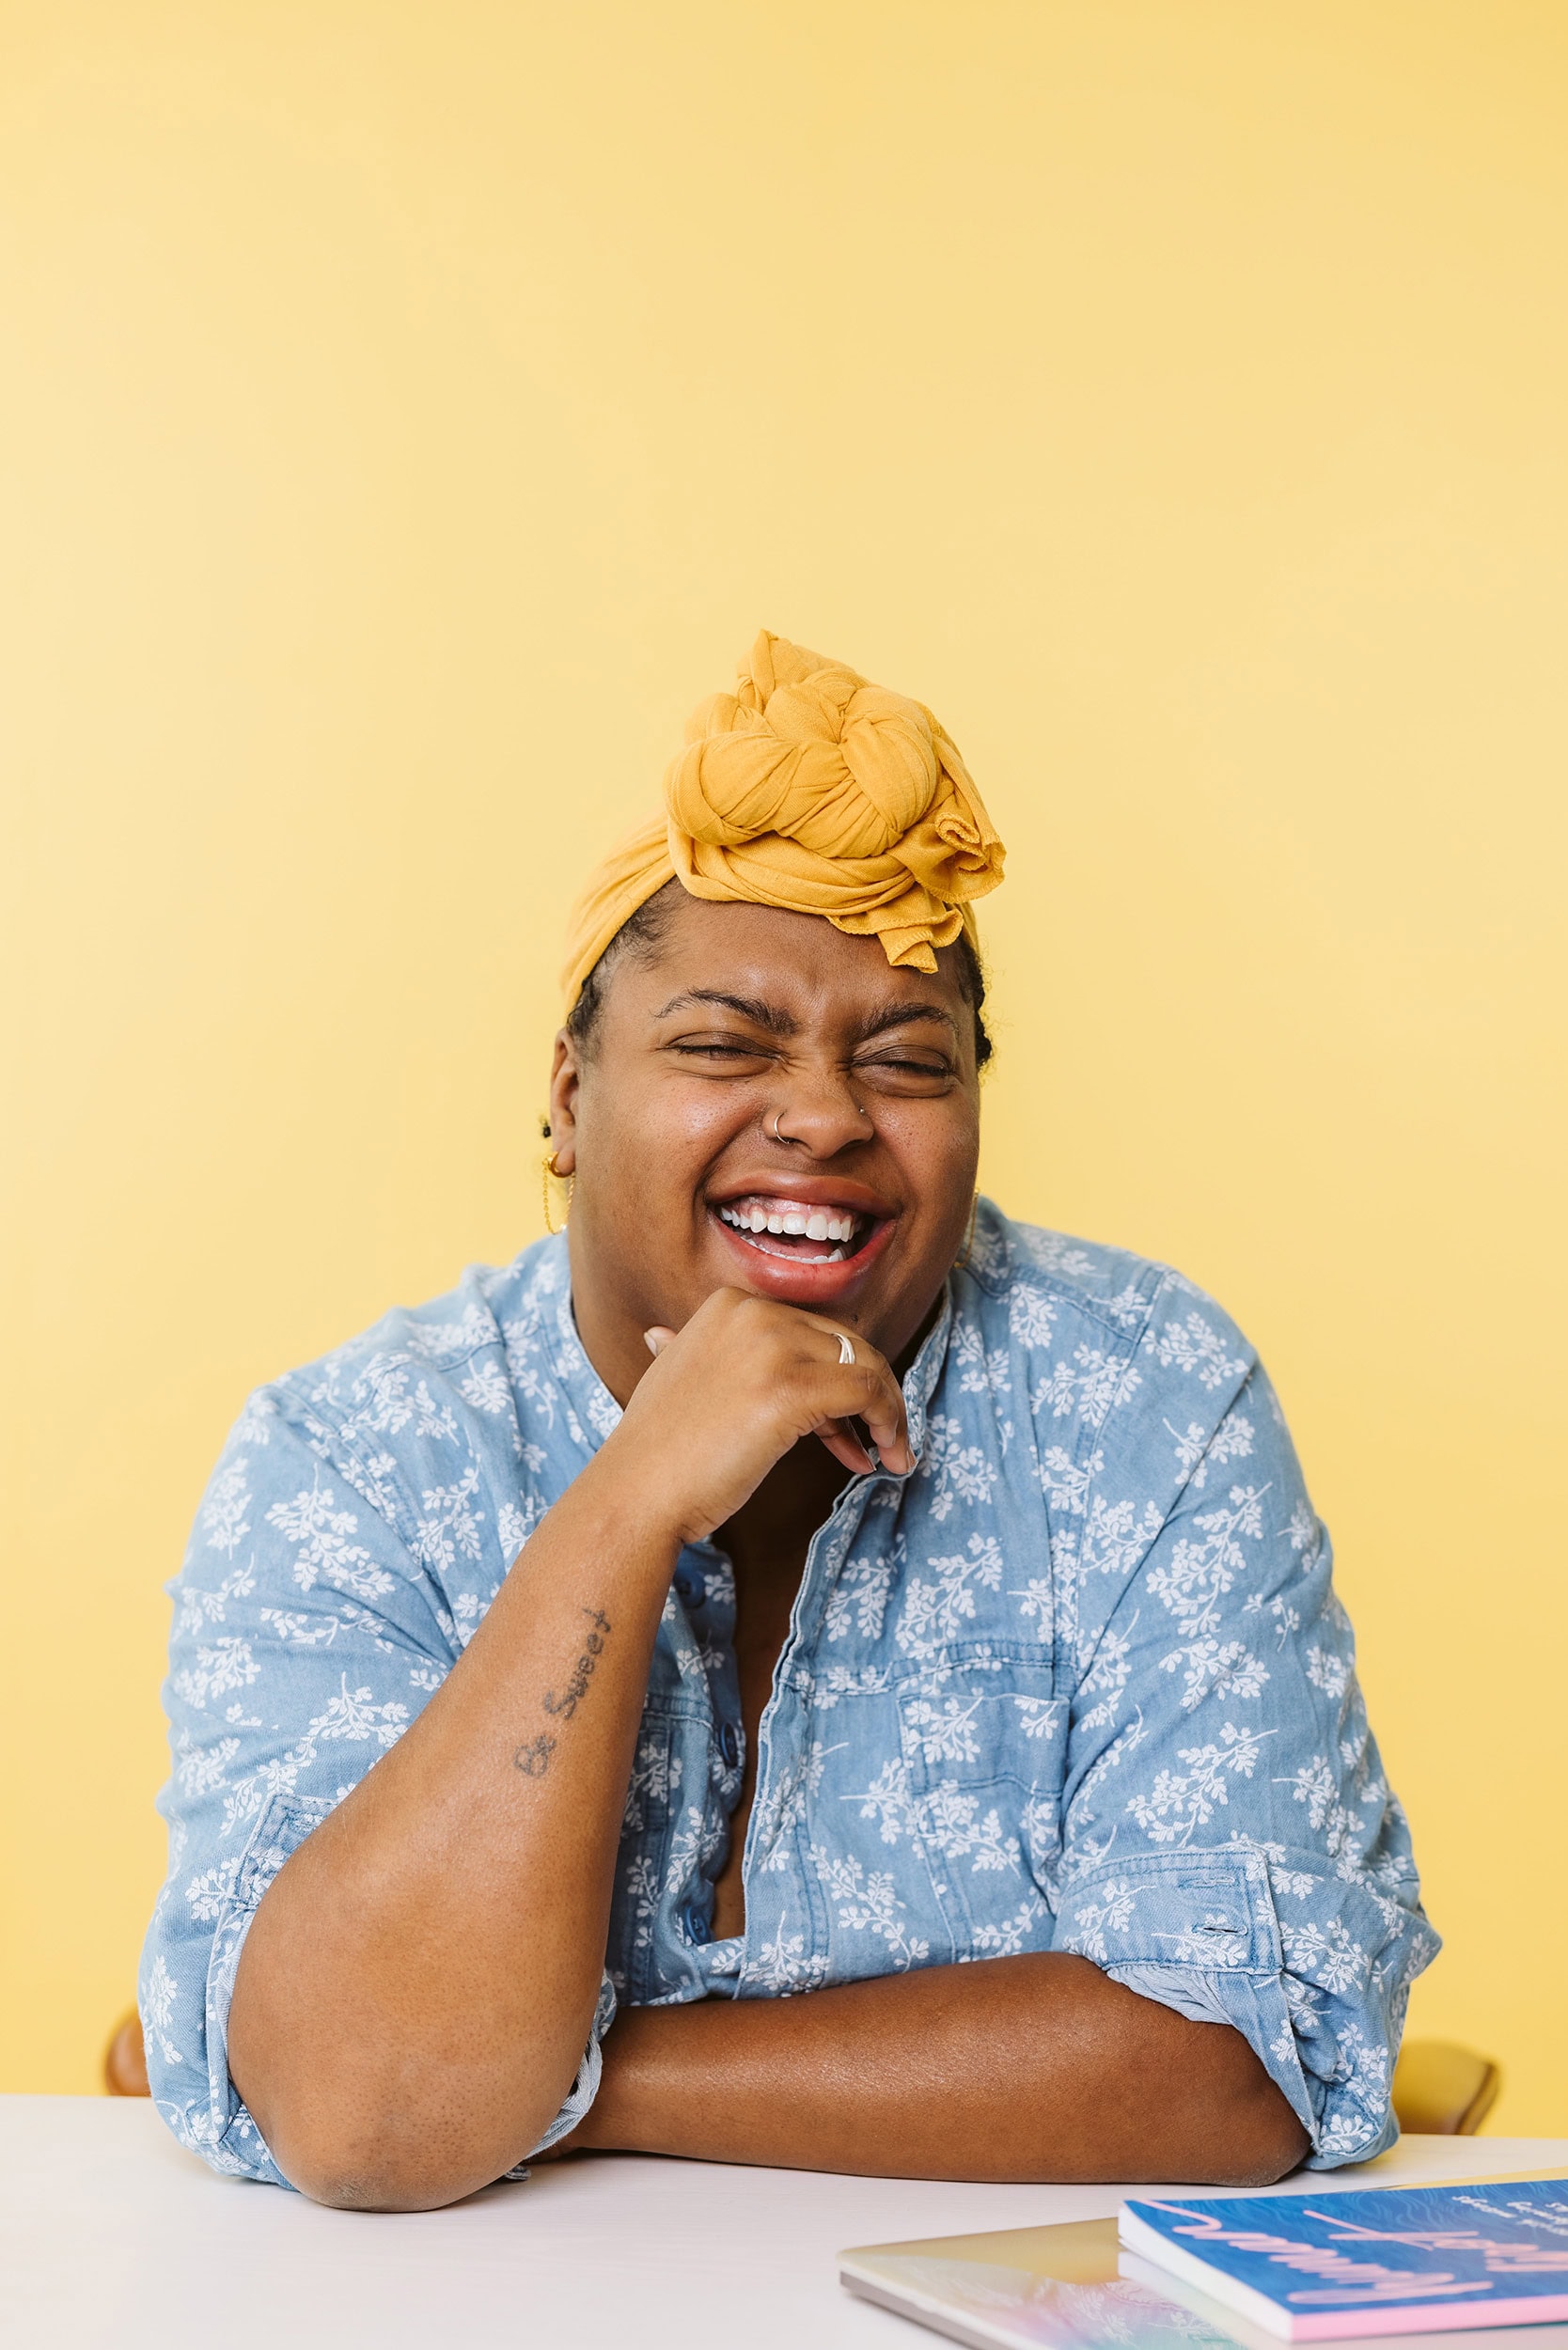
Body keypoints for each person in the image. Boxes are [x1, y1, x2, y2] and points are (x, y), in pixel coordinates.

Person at [141, 633, 1436, 2212]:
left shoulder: (1147, 1398)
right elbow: (365, 2115)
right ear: (565, 1097)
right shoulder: (353, 1459)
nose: (824, 1116)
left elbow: (1236, 2060)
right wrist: (624, 1507)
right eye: (721, 1046)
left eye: (906, 1061)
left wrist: (540, 2080)